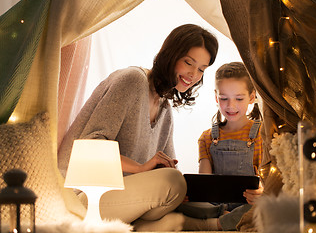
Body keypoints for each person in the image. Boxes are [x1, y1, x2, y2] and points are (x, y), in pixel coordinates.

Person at [57, 24, 218, 231]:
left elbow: (167, 167)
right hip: (83, 196)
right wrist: (141, 168)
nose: (194, 74)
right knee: (173, 182)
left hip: (125, 203)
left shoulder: (165, 110)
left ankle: (215, 221)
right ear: (170, 54)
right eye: (189, 62)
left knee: (175, 217)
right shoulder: (131, 81)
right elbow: (91, 145)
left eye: (202, 69)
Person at [178, 62, 264, 231]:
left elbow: (267, 180)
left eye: (239, 99)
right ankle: (223, 220)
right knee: (176, 204)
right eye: (224, 98)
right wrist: (189, 194)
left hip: (247, 205)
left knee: (265, 206)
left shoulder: (262, 134)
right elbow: (204, 181)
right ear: (216, 98)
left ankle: (217, 224)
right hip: (215, 207)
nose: (230, 106)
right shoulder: (207, 137)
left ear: (252, 97)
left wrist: (261, 192)